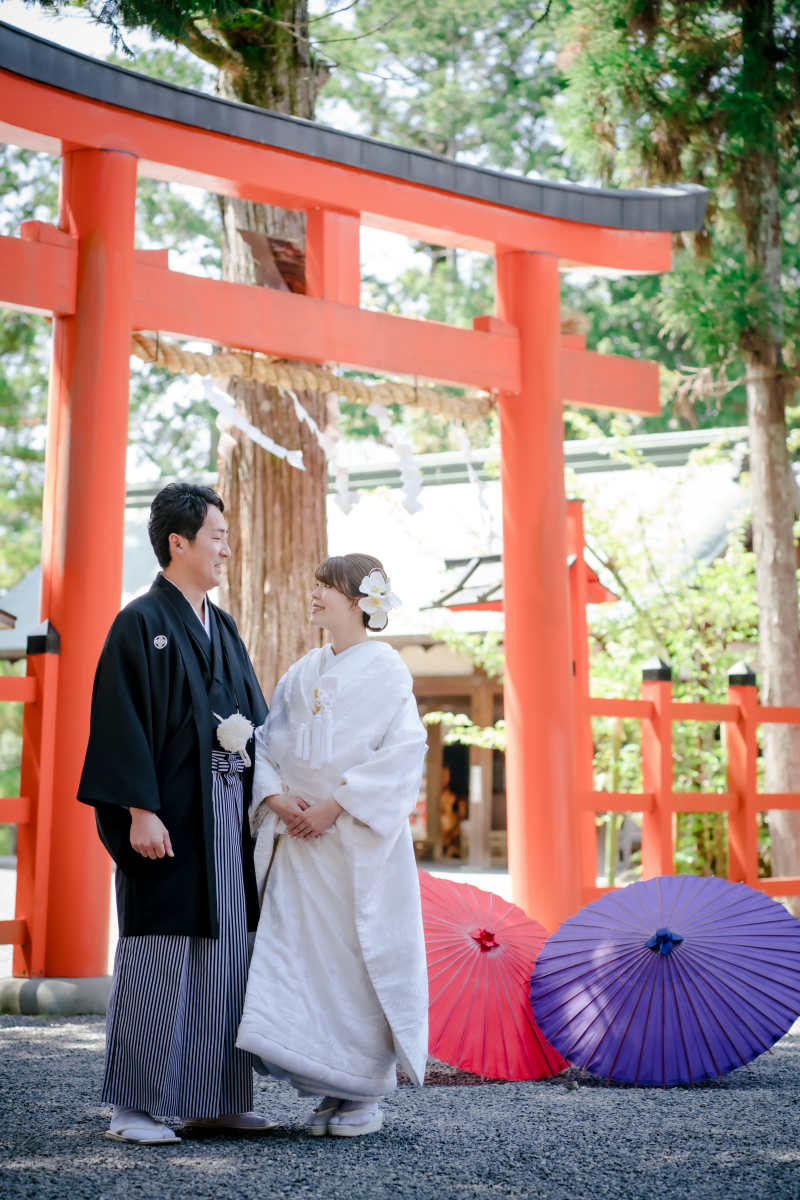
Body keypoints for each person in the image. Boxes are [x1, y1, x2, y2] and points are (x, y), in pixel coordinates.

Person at [78, 483, 273, 1145]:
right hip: (166, 814)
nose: (226, 548)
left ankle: (214, 1100)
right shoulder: (139, 622)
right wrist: (139, 809)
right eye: (217, 536)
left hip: (227, 812)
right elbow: (120, 722)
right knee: (159, 953)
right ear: (178, 542)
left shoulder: (224, 626)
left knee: (227, 952)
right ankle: (133, 1107)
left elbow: (255, 715)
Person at [237, 554, 429, 1137]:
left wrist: (335, 805)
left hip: (354, 844)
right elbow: (267, 743)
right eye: (315, 585)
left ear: (360, 602)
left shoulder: (388, 670)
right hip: (300, 845)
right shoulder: (302, 671)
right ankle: (328, 1085)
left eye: (327, 587)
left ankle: (364, 1092)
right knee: (302, 962)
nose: (315, 594)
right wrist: (275, 798)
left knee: (356, 960)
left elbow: (404, 751)